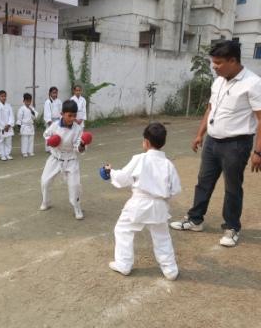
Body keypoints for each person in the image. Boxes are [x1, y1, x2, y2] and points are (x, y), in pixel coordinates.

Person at [170, 40, 261, 247]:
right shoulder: (218, 81)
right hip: (212, 141)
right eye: (213, 62)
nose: (214, 66)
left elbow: (260, 119)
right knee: (204, 182)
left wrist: (258, 151)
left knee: (232, 187)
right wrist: (200, 134)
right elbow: (210, 109)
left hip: (236, 145)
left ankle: (231, 227)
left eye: (218, 63)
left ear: (233, 60)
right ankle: (195, 220)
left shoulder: (253, 83)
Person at [104, 123, 181, 280]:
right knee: (162, 236)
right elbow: (175, 190)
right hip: (160, 205)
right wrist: (163, 200)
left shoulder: (140, 159)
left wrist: (110, 172)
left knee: (123, 229)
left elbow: (123, 178)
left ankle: (124, 264)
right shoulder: (168, 164)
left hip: (139, 202)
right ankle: (170, 270)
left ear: (145, 142)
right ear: (163, 142)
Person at [40, 99, 90, 220]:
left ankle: (77, 207)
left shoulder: (77, 129)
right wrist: (51, 141)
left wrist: (82, 146)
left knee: (75, 186)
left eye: (74, 115)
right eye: (69, 115)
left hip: (71, 160)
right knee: (45, 181)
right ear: (62, 114)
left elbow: (78, 147)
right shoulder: (55, 125)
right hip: (55, 158)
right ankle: (46, 201)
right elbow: (46, 135)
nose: (72, 118)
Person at [0, 90, 15, 161]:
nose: (4, 97)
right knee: (1, 141)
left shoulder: (8, 106)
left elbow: (11, 116)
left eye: (5, 96)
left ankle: (7, 154)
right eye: (2, 96)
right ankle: (1, 154)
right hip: (1, 127)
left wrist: (9, 124)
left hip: (8, 126)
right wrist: (3, 126)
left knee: (8, 140)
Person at [16, 93, 38, 157]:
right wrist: (19, 127)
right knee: (25, 140)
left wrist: (32, 111)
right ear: (24, 101)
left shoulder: (31, 108)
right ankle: (24, 152)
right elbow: (19, 118)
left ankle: (30, 151)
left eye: (29, 101)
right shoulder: (21, 109)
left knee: (31, 139)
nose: (28, 103)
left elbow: (35, 116)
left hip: (30, 126)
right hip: (24, 126)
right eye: (27, 101)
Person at [43, 87, 62, 152]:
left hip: (58, 120)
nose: (55, 94)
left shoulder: (59, 101)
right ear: (50, 93)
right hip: (50, 120)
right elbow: (47, 112)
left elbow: (61, 111)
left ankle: (55, 146)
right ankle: (48, 148)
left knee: (56, 134)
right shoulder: (48, 102)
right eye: (53, 92)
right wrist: (49, 121)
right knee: (49, 133)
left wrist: (61, 119)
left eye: (56, 93)